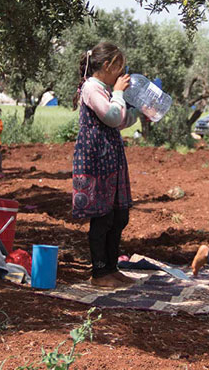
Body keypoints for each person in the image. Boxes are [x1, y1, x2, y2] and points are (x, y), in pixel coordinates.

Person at [71, 42, 139, 288]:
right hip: (96, 160)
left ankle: (112, 267)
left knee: (119, 215)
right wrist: (119, 93)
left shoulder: (105, 88)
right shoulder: (91, 88)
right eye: (119, 68)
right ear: (107, 65)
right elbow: (111, 117)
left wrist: (140, 108)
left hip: (110, 157)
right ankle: (99, 272)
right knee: (103, 216)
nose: (122, 74)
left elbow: (119, 120)